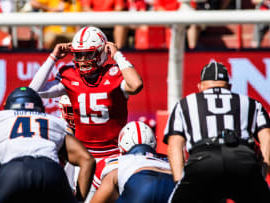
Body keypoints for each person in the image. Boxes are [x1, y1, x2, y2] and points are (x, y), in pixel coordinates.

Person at [0, 86, 95, 203]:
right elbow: (87, 160)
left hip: (14, 171)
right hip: (51, 172)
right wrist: (78, 200)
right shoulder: (54, 121)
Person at [29, 26, 143, 159]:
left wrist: (117, 55)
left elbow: (136, 85)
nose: (83, 60)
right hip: (83, 155)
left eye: (88, 54)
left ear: (102, 52)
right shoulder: (70, 75)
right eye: (79, 54)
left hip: (114, 154)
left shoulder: (114, 73)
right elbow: (34, 91)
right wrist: (53, 57)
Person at [164, 61, 270, 202]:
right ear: (229, 87)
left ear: (200, 87)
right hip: (242, 161)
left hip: (203, 162)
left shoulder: (185, 104)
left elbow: (175, 145)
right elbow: (267, 137)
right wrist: (261, 174)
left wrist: (180, 182)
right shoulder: (251, 103)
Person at [90, 121, 175, 203]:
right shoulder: (167, 159)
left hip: (141, 181)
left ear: (121, 146)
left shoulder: (112, 162)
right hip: (171, 182)